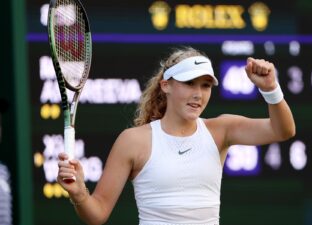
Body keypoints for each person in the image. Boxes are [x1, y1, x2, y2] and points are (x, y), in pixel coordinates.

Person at [57, 46, 295, 225]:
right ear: (166, 86)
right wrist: (79, 194)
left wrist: (270, 88)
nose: (198, 95)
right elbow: (97, 214)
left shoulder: (221, 130)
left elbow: (283, 130)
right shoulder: (133, 141)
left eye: (205, 86)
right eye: (189, 83)